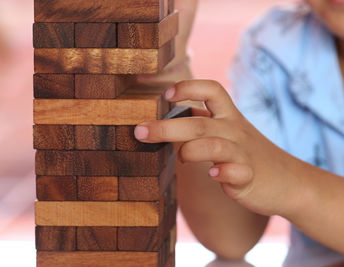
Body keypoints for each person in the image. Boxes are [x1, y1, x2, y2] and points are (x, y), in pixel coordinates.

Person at [135, 0, 344, 266]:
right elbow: (232, 239)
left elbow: (285, 183)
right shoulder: (273, 44)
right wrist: (169, 69)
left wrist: (294, 183)